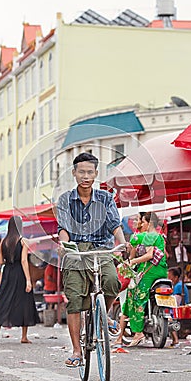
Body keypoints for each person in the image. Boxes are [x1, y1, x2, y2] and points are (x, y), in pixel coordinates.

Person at [57, 152, 127, 368]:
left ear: (96, 173)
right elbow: (64, 228)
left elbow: (115, 224)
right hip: (76, 251)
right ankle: (77, 350)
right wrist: (64, 245)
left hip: (101, 249)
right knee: (75, 300)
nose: (85, 176)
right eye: (81, 172)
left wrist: (122, 243)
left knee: (112, 282)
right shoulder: (65, 200)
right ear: (74, 173)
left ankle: (103, 315)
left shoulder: (106, 198)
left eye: (90, 172)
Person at [114, 212, 168, 347]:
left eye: (141, 221)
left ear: (149, 223)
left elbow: (149, 255)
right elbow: (132, 253)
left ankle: (138, 332)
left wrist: (132, 262)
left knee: (137, 297)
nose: (139, 223)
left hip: (150, 271)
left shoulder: (150, 236)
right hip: (158, 270)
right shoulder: (153, 236)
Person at [0, 216, 39, 344]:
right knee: (24, 301)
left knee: (3, 300)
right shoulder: (23, 241)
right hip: (20, 273)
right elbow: (24, 261)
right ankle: (24, 336)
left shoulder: (3, 242)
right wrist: (28, 280)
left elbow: (1, 261)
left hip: (7, 272)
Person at [168, 266, 189, 348]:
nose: (168, 279)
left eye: (170, 277)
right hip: (177, 306)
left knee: (168, 317)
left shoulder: (179, 286)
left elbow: (176, 302)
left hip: (180, 308)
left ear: (176, 277)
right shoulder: (177, 285)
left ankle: (175, 339)